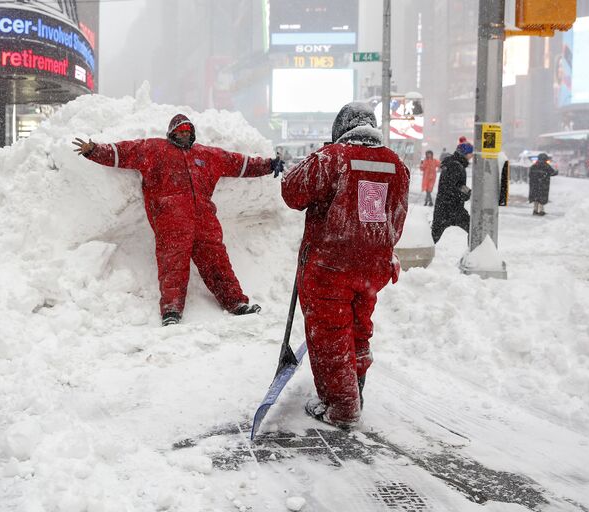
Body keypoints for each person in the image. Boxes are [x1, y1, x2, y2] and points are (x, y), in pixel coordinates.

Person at [73, 114, 283, 326]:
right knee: (172, 265)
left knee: (217, 263)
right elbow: (125, 152)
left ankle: (235, 302)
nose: (184, 134)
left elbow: (237, 163)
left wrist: (268, 165)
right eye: (180, 131)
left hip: (204, 220)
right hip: (170, 221)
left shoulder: (206, 155)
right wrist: (94, 150)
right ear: (171, 132)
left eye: (187, 131)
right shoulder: (155, 149)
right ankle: (171, 310)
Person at [281, 103, 409, 427]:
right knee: (357, 330)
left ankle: (342, 408)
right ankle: (356, 389)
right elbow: (397, 217)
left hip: (330, 268)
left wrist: (321, 156)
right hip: (371, 268)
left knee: (330, 334)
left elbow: (291, 191)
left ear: (341, 128)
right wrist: (376, 248)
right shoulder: (396, 165)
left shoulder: (333, 158)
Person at [431, 140, 473, 243]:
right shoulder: (456, 166)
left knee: (432, 237)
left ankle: (420, 253)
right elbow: (449, 188)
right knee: (474, 230)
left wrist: (467, 191)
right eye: (471, 153)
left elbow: (456, 185)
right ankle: (475, 254)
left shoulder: (454, 164)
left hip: (444, 208)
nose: (472, 156)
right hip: (452, 208)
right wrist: (465, 195)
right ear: (465, 153)